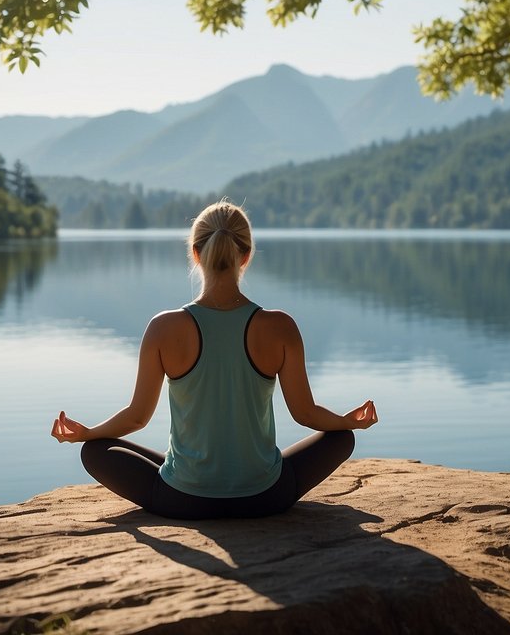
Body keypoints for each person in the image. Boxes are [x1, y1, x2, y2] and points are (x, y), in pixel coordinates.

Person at [50, 199, 378, 519]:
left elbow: (137, 418)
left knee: (95, 451)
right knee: (341, 439)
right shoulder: (280, 326)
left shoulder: (163, 327)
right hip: (266, 498)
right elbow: (306, 414)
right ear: (246, 256)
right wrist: (346, 422)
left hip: (183, 501)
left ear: (195, 254)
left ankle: (193, 470)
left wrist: (88, 433)